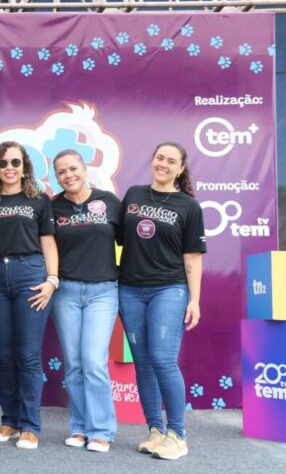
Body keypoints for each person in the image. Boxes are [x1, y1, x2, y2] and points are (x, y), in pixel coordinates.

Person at [118, 142, 205, 460]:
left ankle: (177, 435)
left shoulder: (189, 206)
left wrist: (195, 299)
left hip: (169, 289)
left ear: (180, 169)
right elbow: (117, 238)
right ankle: (155, 430)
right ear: (152, 160)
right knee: (142, 362)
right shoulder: (133, 195)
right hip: (129, 289)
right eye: (159, 158)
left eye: (171, 161)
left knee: (163, 360)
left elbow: (193, 257)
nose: (163, 164)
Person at [0, 141, 59, 450]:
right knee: (4, 355)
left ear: (25, 166)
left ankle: (30, 426)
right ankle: (10, 421)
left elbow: (48, 241)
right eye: (2, 163)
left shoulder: (38, 199)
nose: (9, 168)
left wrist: (52, 280)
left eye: (15, 162)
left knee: (27, 355)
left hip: (30, 276)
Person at [50, 149, 123, 453]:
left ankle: (101, 431)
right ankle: (79, 428)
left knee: (93, 361)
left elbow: (130, 243)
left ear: (84, 168)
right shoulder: (53, 207)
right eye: (62, 172)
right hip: (65, 292)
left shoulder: (109, 202)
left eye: (73, 168)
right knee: (75, 364)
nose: (68, 175)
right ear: (56, 177)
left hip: (103, 291)